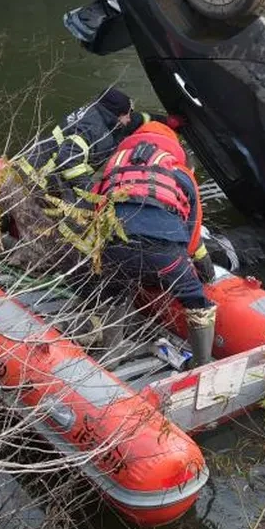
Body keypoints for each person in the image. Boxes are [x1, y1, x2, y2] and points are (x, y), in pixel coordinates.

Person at [93, 121, 217, 368]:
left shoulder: (114, 166)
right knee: (195, 299)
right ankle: (201, 364)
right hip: (164, 251)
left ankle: (110, 355)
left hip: (115, 246)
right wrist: (203, 266)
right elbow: (192, 231)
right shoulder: (180, 172)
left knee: (116, 290)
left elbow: (97, 209)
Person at [14, 87, 168, 205]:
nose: (129, 119)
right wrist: (91, 192)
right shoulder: (94, 129)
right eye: (126, 114)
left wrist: (165, 121)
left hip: (30, 163)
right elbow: (68, 159)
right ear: (116, 114)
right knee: (80, 214)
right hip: (39, 178)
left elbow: (134, 119)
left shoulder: (99, 112)